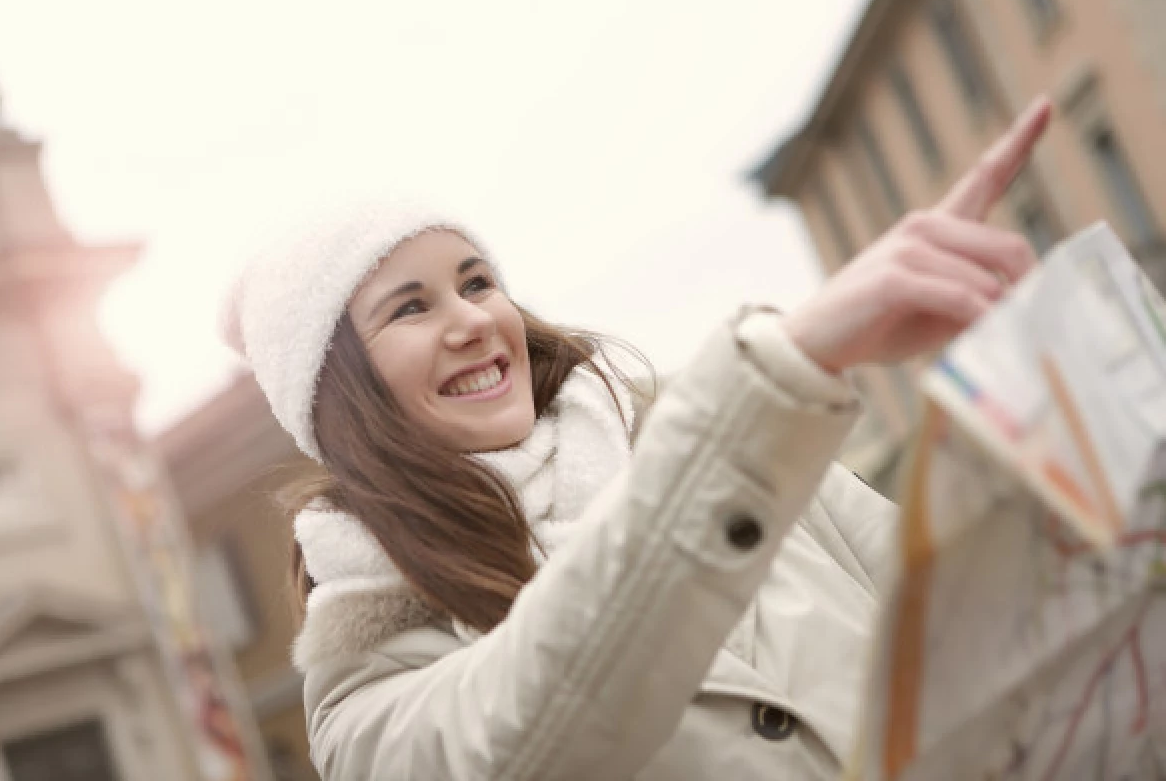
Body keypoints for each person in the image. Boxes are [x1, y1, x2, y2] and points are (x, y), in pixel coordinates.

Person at [222, 97, 1053, 779]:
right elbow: (535, 721)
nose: (474, 320)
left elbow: (975, 615)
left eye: (477, 282)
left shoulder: (702, 442)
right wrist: (786, 368)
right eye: (411, 306)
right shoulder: (363, 687)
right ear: (341, 397)